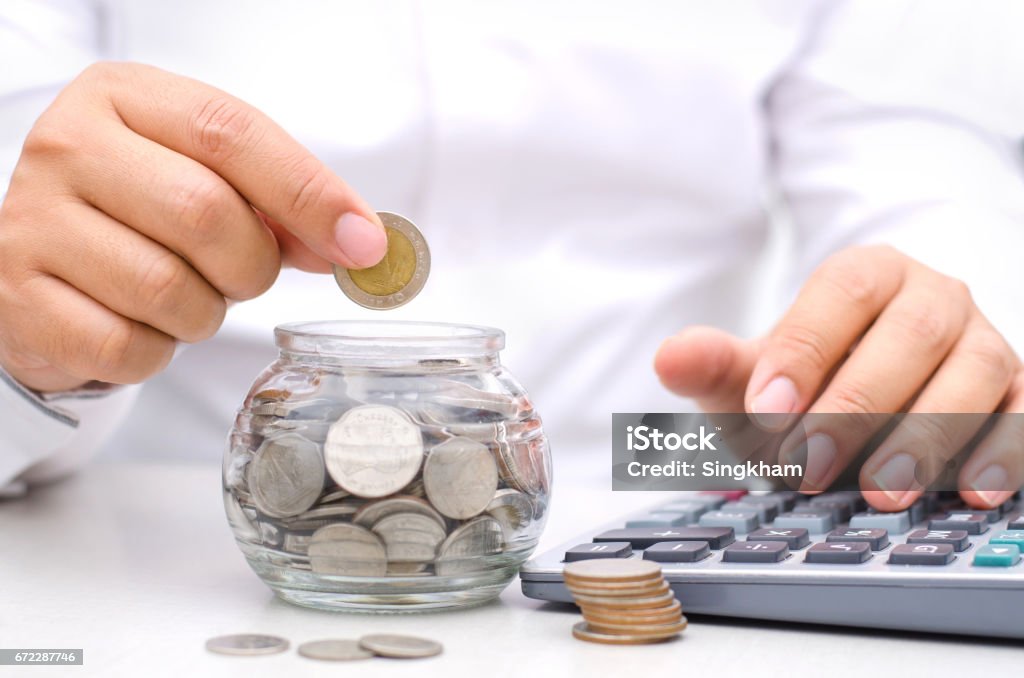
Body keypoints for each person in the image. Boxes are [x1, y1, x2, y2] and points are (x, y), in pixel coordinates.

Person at [1, 1, 1022, 510]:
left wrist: (899, 371)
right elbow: (26, 172)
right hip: (182, 511)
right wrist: (31, 342)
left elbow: (929, 173)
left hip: (665, 471)